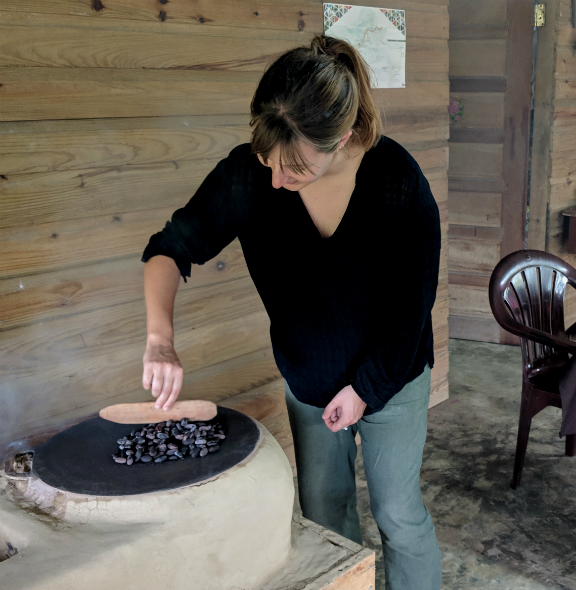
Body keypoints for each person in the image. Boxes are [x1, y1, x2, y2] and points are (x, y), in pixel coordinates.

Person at [139, 35, 442, 590]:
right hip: (309, 380)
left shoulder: (397, 182)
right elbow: (169, 247)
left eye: (295, 169)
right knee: (325, 516)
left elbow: (411, 310)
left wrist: (365, 390)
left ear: (343, 138)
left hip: (394, 378)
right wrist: (160, 338)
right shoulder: (249, 176)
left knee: (397, 514)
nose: (277, 181)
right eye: (268, 162)